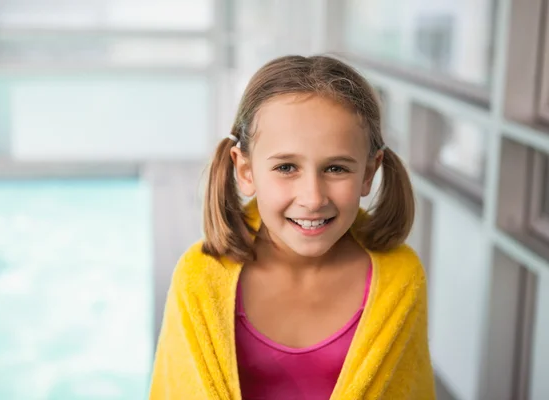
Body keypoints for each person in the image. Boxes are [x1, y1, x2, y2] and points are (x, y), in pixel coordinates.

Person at [148, 55, 435, 399]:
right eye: (286, 167)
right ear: (245, 170)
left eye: (336, 169)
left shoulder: (401, 278)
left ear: (369, 173)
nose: (312, 198)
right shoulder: (199, 278)